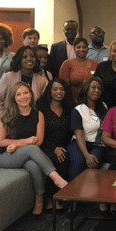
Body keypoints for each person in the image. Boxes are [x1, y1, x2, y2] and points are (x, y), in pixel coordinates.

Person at [0, 82, 68, 215]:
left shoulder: (38, 114)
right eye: (19, 94)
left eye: (26, 93)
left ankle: (39, 201)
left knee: (33, 165)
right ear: (14, 98)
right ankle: (57, 179)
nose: (23, 97)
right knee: (32, 149)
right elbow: (0, 141)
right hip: (5, 156)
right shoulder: (6, 115)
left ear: (31, 95)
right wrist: (26, 141)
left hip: (24, 154)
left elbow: (38, 141)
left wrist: (17, 144)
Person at [0, 46, 49, 146]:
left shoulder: (41, 81)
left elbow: (43, 104)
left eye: (32, 56)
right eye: (24, 57)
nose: (29, 59)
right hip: (10, 127)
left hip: (29, 128)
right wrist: (6, 119)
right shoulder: (8, 77)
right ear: (19, 59)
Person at [36, 78, 74, 211]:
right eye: (55, 89)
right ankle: (50, 198)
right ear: (49, 91)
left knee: (65, 158)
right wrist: (54, 148)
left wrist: (61, 148)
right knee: (51, 159)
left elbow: (70, 133)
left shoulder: (69, 109)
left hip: (63, 145)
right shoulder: (41, 108)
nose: (59, 92)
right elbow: (40, 134)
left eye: (62, 89)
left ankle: (59, 197)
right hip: (44, 145)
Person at [68, 77, 108, 180]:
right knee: (78, 161)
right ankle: (69, 194)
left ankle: (88, 194)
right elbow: (79, 135)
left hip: (98, 144)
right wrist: (86, 154)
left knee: (93, 163)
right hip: (79, 143)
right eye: (93, 87)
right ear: (86, 90)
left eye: (99, 88)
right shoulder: (78, 110)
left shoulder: (104, 107)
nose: (96, 91)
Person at [59, 38, 98, 103]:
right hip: (72, 102)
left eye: (84, 47)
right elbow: (64, 87)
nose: (81, 49)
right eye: (78, 47)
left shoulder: (95, 64)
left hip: (92, 102)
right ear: (74, 49)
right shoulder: (67, 64)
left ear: (88, 49)